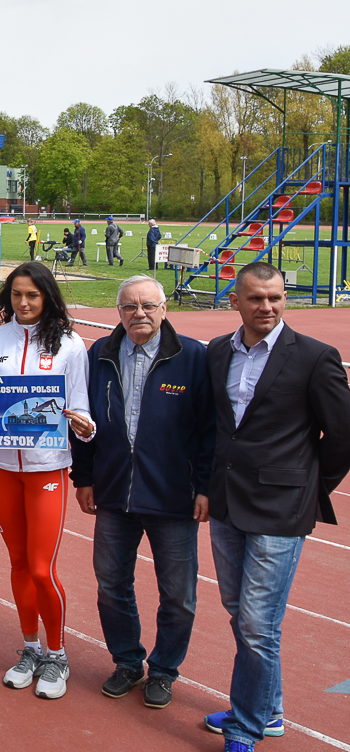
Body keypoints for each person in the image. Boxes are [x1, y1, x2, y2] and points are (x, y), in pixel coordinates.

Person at [201, 263, 350, 752]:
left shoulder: (314, 356)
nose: (267, 307)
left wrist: (311, 487)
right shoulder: (219, 351)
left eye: (276, 298)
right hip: (226, 503)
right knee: (239, 612)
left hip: (281, 509)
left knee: (257, 623)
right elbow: (218, 428)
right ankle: (270, 710)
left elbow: (342, 437)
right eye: (257, 299)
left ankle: (245, 726)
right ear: (235, 301)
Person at [0, 261, 94, 700]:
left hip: (47, 467)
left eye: (32, 295)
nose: (24, 303)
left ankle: (57, 653)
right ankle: (30, 648)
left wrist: (84, 425)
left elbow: (82, 407)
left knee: (40, 567)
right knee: (15, 564)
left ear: (47, 296)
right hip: (2, 467)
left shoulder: (70, 344)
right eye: (17, 295)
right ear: (7, 298)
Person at [69, 275, 214, 709]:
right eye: (130, 307)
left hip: (173, 498)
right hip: (114, 493)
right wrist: (85, 478)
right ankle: (128, 661)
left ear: (164, 309)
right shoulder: (100, 354)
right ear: (119, 313)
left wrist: (204, 486)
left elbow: (210, 431)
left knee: (179, 594)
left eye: (148, 306)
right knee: (112, 584)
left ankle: (165, 670)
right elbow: (82, 421)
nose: (140, 314)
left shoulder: (193, 357)